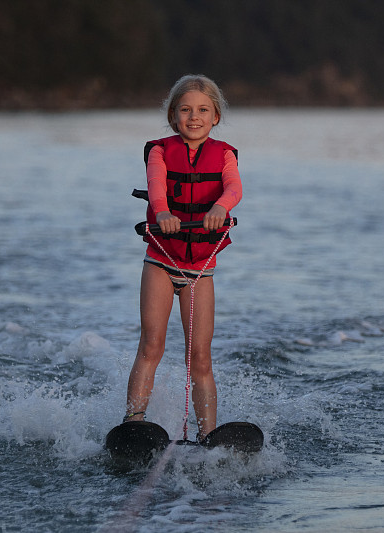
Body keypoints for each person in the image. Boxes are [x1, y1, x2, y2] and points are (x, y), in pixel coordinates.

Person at [124, 74, 243, 442]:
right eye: (186, 110)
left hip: (199, 269)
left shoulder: (223, 155)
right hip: (161, 259)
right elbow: (157, 185)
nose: (194, 117)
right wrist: (161, 213)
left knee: (200, 358)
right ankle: (133, 425)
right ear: (173, 116)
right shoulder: (160, 151)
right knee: (151, 345)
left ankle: (209, 436)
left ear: (216, 117)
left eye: (203, 110)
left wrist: (221, 207)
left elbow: (234, 187)